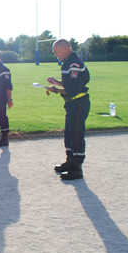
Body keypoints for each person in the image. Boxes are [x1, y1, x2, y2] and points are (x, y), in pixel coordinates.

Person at [47, 39, 90, 180]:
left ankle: (77, 168)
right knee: (69, 134)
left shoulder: (74, 64)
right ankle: (70, 162)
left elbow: (73, 90)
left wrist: (55, 90)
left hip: (78, 103)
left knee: (76, 135)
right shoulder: (69, 62)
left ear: (65, 48)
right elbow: (69, 84)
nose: (55, 55)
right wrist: (57, 83)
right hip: (72, 104)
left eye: (56, 51)